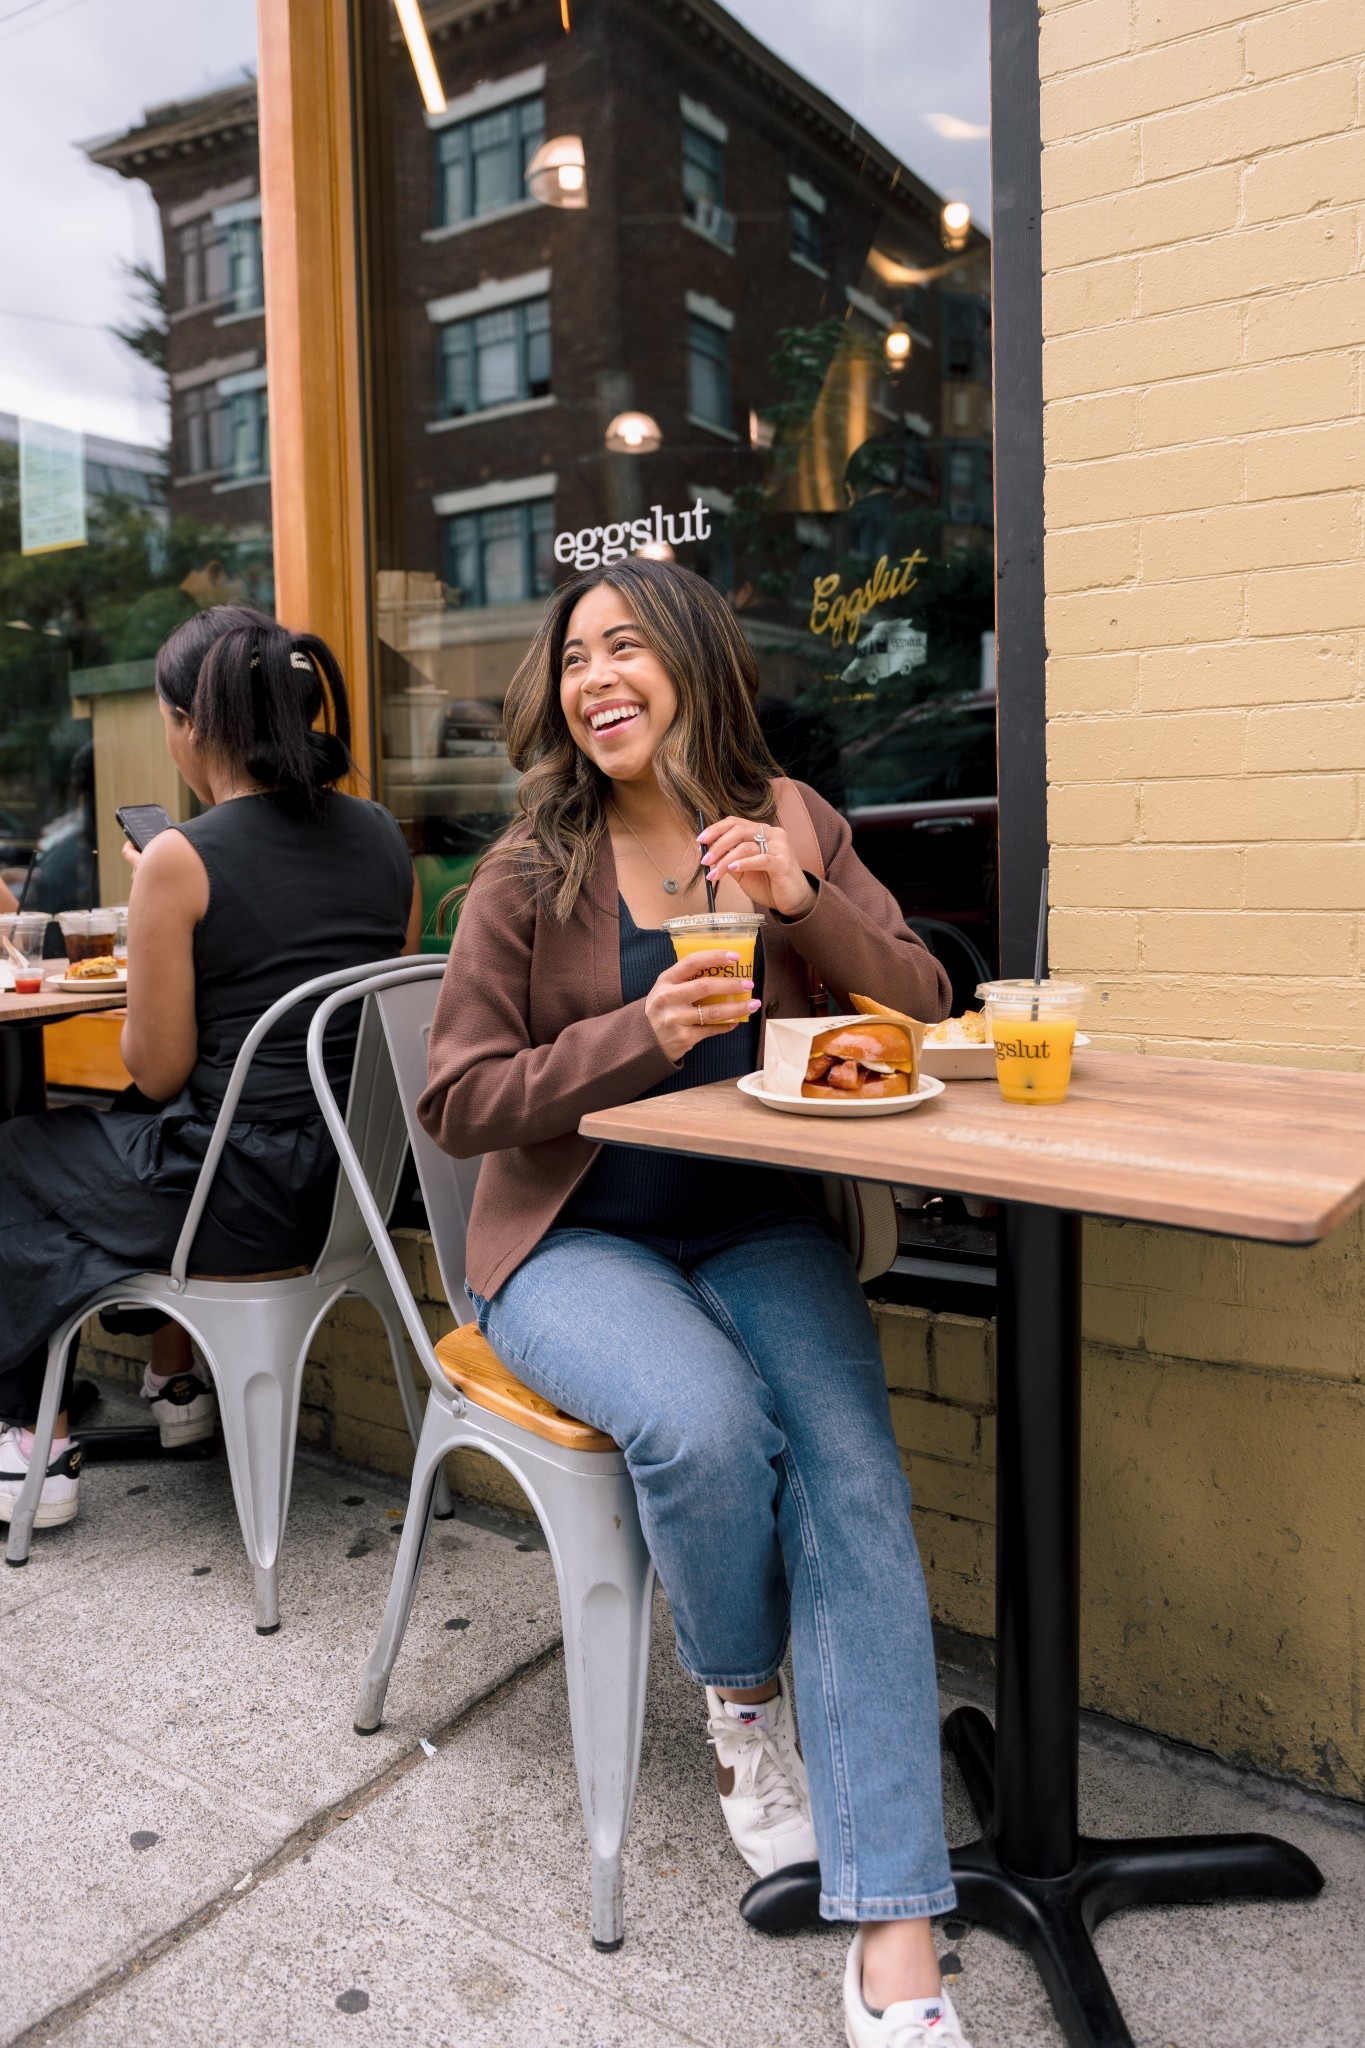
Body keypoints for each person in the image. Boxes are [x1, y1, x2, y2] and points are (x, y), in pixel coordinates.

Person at [418, 559, 972, 2048]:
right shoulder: (531, 869)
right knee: (706, 1427)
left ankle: (895, 1936)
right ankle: (743, 1706)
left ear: (691, 662)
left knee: (853, 1475)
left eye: (626, 647)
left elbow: (923, 1003)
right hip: (568, 1237)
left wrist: (805, 902)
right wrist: (628, 1034)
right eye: (575, 655)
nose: (597, 675)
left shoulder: (791, 823)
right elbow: (461, 1102)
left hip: (752, 1220)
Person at [0, 606, 419, 1528]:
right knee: (95, 1143)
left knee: (19, 1154)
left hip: (240, 1196)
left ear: (192, 724)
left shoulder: (180, 859)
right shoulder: (387, 835)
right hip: (359, 1186)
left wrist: (163, 885)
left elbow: (157, 1073)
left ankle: (33, 1440)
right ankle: (175, 1383)